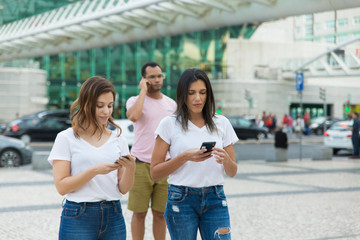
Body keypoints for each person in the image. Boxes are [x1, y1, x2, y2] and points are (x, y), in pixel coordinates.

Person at [150, 68, 238, 240]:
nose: (198, 98)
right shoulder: (169, 124)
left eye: (202, 92)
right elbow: (155, 172)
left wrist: (226, 160)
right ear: (183, 94)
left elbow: (232, 171)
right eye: (191, 93)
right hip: (181, 200)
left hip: (216, 198)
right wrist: (185, 157)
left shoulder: (222, 123)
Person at [48, 76, 136, 240]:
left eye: (110, 106)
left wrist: (131, 168)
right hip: (78, 216)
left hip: (114, 215)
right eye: (100, 106)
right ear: (87, 104)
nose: (106, 111)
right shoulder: (66, 138)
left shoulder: (119, 139)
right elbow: (62, 187)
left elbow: (123, 189)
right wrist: (94, 171)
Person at [126, 62, 177, 240]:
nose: (157, 80)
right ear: (144, 79)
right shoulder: (134, 100)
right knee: (139, 214)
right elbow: (133, 116)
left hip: (165, 166)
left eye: (159, 76)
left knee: (161, 214)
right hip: (140, 165)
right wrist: (142, 91)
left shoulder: (171, 104)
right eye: (152, 77)